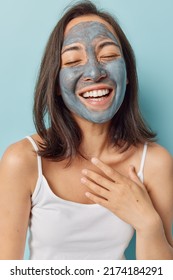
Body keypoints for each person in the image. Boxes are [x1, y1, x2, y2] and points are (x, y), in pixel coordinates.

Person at [0, 0, 172, 260]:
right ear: (56, 83)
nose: (94, 71)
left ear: (127, 73)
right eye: (72, 60)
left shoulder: (155, 162)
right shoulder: (22, 160)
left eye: (109, 56)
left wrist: (148, 224)